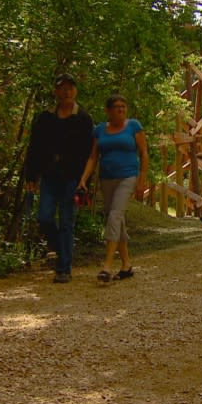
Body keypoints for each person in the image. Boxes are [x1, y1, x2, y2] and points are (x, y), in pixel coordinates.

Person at [23, 73, 94, 283]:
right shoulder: (45, 117)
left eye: (70, 87)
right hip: (49, 175)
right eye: (62, 88)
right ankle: (62, 250)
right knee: (44, 217)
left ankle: (64, 268)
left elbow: (89, 153)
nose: (66, 91)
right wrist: (31, 175)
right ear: (56, 92)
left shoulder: (83, 118)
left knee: (66, 221)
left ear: (76, 91)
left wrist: (85, 181)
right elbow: (34, 147)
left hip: (72, 177)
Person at [78, 94, 149, 282]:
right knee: (117, 220)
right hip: (106, 179)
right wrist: (83, 179)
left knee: (114, 216)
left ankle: (107, 266)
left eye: (123, 106)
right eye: (117, 107)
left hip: (128, 177)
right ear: (108, 110)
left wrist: (142, 180)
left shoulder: (134, 126)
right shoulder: (100, 130)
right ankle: (126, 265)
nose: (121, 110)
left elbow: (143, 153)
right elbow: (93, 157)